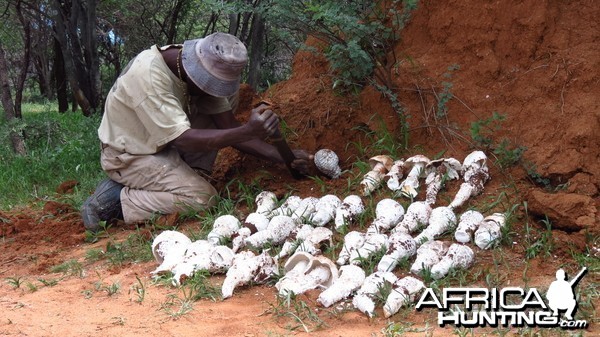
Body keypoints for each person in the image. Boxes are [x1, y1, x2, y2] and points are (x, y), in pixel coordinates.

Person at [81, 32, 312, 231]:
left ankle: (187, 176)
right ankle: (115, 200)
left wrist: (282, 156)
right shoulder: (149, 77)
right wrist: (248, 130)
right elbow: (185, 141)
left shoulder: (194, 65)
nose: (215, 90)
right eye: (211, 85)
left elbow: (228, 127)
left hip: (164, 143)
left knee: (220, 105)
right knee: (203, 198)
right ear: (195, 72)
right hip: (131, 154)